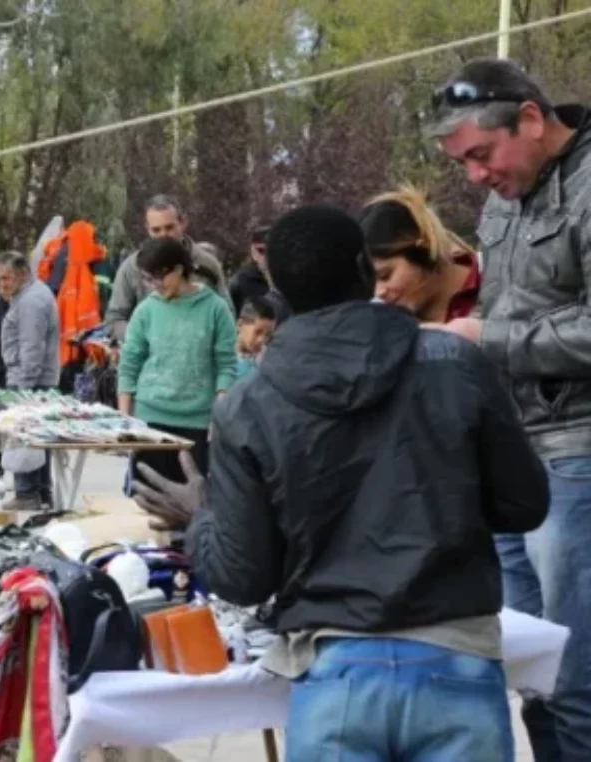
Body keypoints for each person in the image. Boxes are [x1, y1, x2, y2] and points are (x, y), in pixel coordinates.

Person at [134, 204, 549, 761]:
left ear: (277, 287)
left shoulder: (250, 406)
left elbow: (241, 576)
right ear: (363, 267)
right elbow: (523, 503)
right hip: (454, 662)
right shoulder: (455, 362)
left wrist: (201, 514)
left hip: (335, 674)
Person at [431, 57, 591, 758]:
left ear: (530, 118)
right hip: (513, 459)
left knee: (577, 673)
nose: (475, 176)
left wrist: (485, 338)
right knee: (530, 672)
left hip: (577, 458)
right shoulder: (501, 201)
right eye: (464, 162)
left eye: (481, 155)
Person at [118, 237, 236, 479]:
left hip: (197, 423)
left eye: (159, 277)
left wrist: (219, 414)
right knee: (149, 504)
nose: (154, 285)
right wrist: (125, 419)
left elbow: (226, 366)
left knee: (195, 507)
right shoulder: (146, 311)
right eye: (147, 279)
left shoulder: (216, 309)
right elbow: (129, 365)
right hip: (149, 420)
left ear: (179, 269)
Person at [104, 195, 230, 341]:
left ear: (183, 223)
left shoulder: (208, 264)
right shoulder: (131, 268)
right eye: (156, 230)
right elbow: (114, 319)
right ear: (147, 229)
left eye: (169, 228)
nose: (163, 235)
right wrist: (145, 337)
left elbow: (227, 314)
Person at [0, 252, 59, 511]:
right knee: (37, 440)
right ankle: (40, 492)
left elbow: (32, 349)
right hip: (34, 380)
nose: (2, 286)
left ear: (22, 273)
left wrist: (21, 392)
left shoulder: (31, 301)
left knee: (25, 436)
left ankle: (27, 492)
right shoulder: (30, 295)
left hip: (30, 381)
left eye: (6, 279)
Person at [358, 186, 480, 322]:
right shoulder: (378, 326)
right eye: (372, 283)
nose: (379, 292)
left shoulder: (501, 281)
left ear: (425, 246)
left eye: (385, 276)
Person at [228, 226, 271, 315]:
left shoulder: (286, 277)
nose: (266, 256)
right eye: (261, 251)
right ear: (253, 251)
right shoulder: (239, 281)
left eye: (271, 250)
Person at [235, 296, 276, 379]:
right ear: (240, 325)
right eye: (258, 332)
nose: (262, 340)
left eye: (268, 335)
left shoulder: (268, 360)